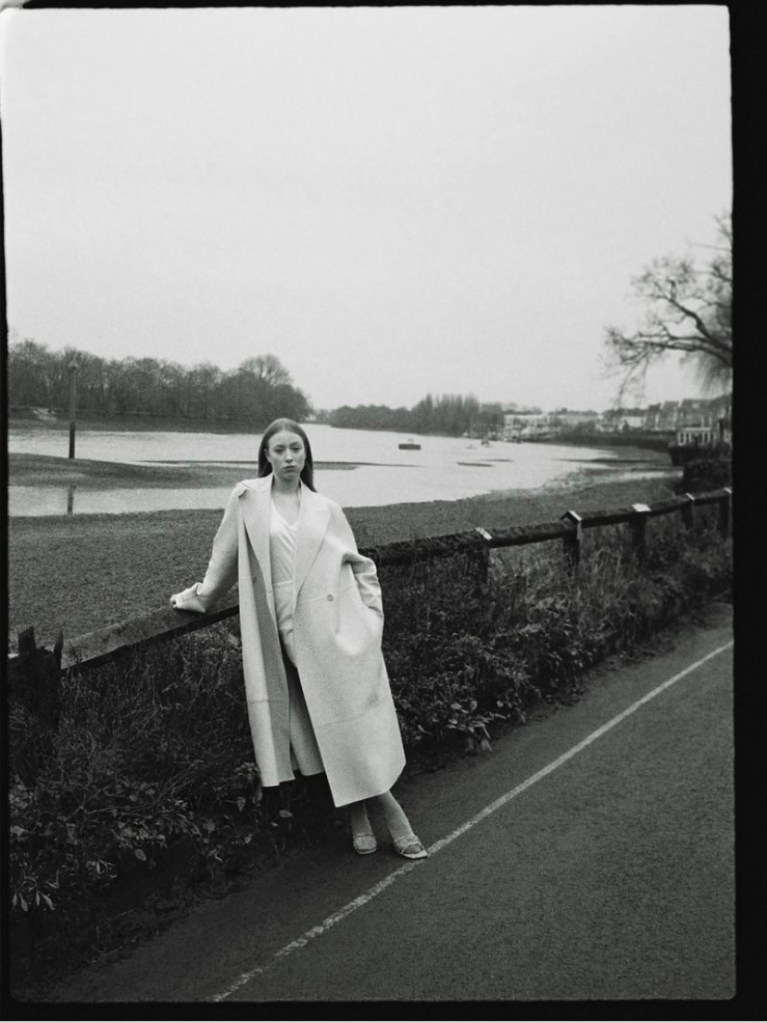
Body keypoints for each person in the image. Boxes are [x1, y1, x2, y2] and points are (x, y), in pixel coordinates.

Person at [171, 417, 427, 860]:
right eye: (280, 450)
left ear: (306, 455)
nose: (289, 457)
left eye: (296, 449)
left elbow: (361, 567)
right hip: (283, 634)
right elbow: (224, 558)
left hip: (333, 633)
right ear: (266, 455)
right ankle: (367, 813)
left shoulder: (327, 508)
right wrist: (200, 597)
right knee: (318, 725)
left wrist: (372, 621)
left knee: (345, 723)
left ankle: (382, 812)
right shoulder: (247, 499)